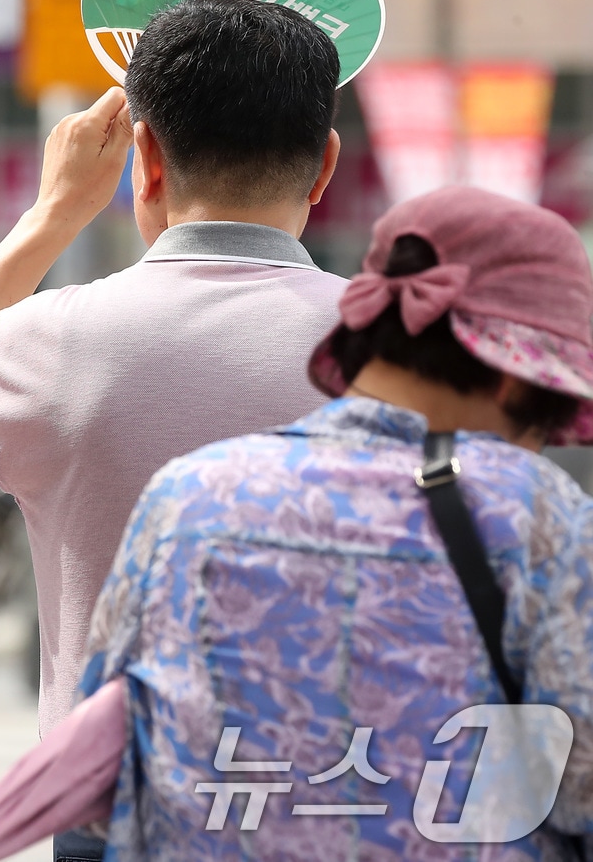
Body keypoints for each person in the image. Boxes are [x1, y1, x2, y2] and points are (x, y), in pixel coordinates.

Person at [0, 0, 347, 862]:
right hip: (356, 797)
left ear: (146, 156)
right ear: (325, 168)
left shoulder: (54, 338)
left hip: (116, 805)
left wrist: (51, 216)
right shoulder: (403, 349)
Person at [77, 186, 593, 858]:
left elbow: (101, 772)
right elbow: (580, 781)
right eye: (548, 419)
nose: (538, 444)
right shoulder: (541, 514)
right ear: (514, 381)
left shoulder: (185, 498)